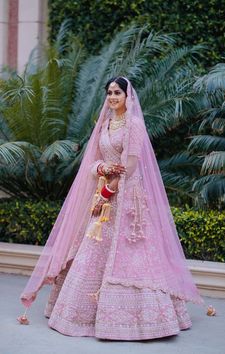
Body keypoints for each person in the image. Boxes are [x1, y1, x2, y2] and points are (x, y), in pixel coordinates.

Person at [19, 77, 205, 340]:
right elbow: (92, 163)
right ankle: (80, 314)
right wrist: (102, 171)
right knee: (92, 248)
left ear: (128, 96)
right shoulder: (104, 125)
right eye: (109, 93)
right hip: (102, 195)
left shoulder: (134, 125)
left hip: (126, 199)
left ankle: (143, 319)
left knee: (132, 252)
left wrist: (110, 189)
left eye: (117, 92)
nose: (112, 97)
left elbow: (130, 165)